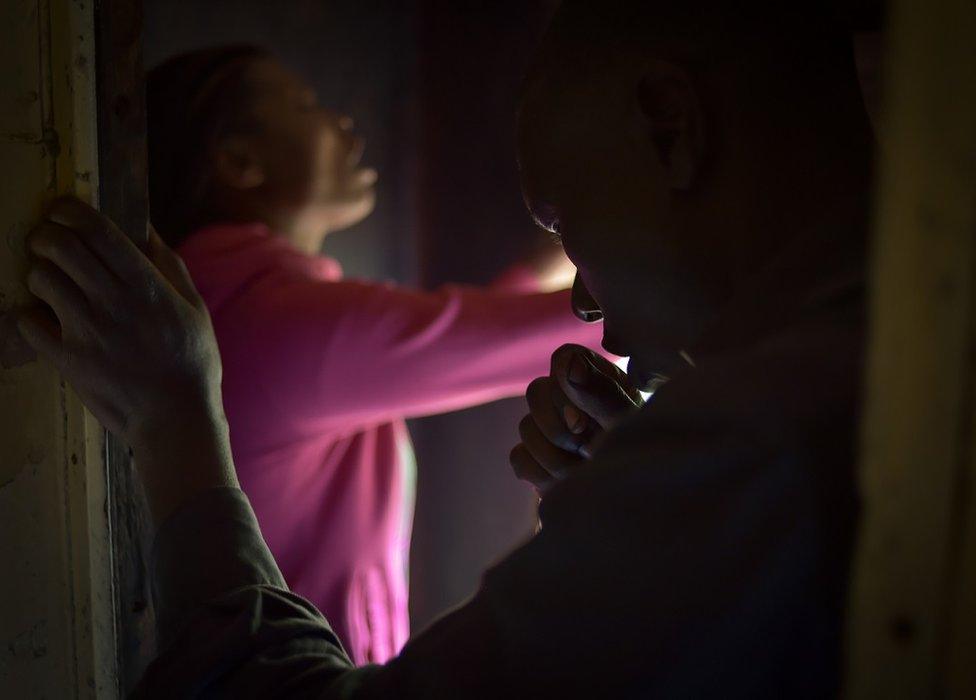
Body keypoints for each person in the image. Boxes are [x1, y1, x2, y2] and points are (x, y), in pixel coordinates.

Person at [19, 1, 873, 696]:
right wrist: (636, 506)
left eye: (566, 220)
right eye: (558, 227)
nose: (580, 296)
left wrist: (173, 422)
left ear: (671, 128)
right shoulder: (854, 380)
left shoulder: (757, 443)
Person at [145, 46, 605, 663]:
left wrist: (551, 258)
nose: (342, 123)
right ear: (238, 161)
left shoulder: (230, 299)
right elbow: (516, 340)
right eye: (306, 107)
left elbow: (458, 344)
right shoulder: (275, 319)